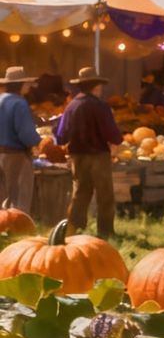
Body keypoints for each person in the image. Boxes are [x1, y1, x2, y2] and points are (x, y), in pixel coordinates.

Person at [54, 67, 121, 238]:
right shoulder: (100, 106)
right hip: (99, 155)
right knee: (104, 195)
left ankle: (73, 230)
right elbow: (112, 133)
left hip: (77, 156)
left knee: (80, 194)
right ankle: (105, 231)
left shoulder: (71, 107)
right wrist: (118, 141)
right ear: (96, 86)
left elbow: (61, 137)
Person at [0, 66, 40, 213]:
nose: (28, 86)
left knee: (1, 197)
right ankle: (19, 231)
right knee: (20, 199)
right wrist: (38, 141)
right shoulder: (19, 103)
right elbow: (26, 134)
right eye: (26, 83)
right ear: (20, 85)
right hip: (16, 155)